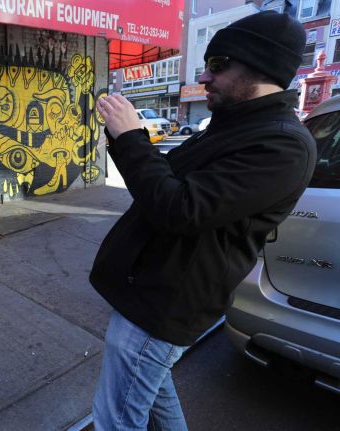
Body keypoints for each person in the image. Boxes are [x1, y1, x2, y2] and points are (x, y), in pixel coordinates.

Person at [90, 11, 316, 431]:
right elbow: (163, 184)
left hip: (165, 301)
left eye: (217, 65)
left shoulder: (282, 143)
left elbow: (180, 209)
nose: (205, 77)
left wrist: (132, 138)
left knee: (116, 419)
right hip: (151, 291)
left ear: (261, 67)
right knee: (153, 392)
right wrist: (127, 142)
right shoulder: (234, 125)